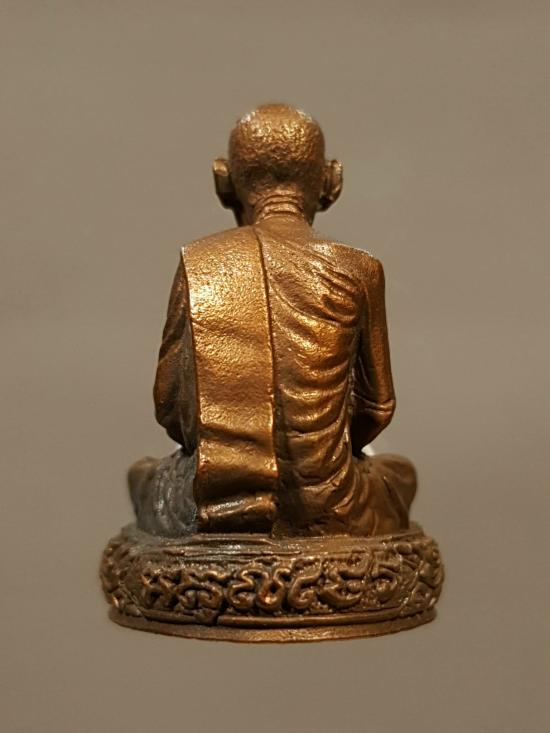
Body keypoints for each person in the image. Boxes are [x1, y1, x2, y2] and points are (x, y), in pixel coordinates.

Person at [129, 103, 416, 538]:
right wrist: (326, 451)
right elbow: (375, 409)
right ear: (332, 181)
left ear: (223, 181)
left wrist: (223, 444)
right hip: (332, 501)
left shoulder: (200, 263)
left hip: (209, 503)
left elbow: (169, 407)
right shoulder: (359, 269)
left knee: (141, 475)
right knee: (400, 473)